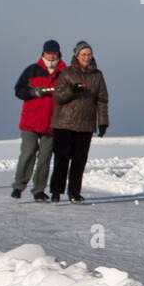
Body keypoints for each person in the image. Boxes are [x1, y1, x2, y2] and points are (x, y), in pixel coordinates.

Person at [49, 41, 109, 203]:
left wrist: (103, 122)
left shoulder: (98, 75)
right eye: (83, 54)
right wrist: (72, 90)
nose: (86, 57)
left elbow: (102, 100)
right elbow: (58, 97)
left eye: (89, 54)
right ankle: (56, 191)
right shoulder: (67, 73)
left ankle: (74, 192)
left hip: (86, 124)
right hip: (64, 123)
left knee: (79, 160)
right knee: (62, 159)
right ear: (77, 56)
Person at [11, 40, 65, 201]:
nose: (51, 56)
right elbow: (18, 90)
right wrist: (33, 93)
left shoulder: (65, 72)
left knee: (45, 158)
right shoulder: (32, 70)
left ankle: (39, 190)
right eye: (48, 53)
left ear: (58, 53)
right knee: (28, 153)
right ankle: (18, 186)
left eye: (54, 53)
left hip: (53, 121)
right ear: (43, 53)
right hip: (31, 120)